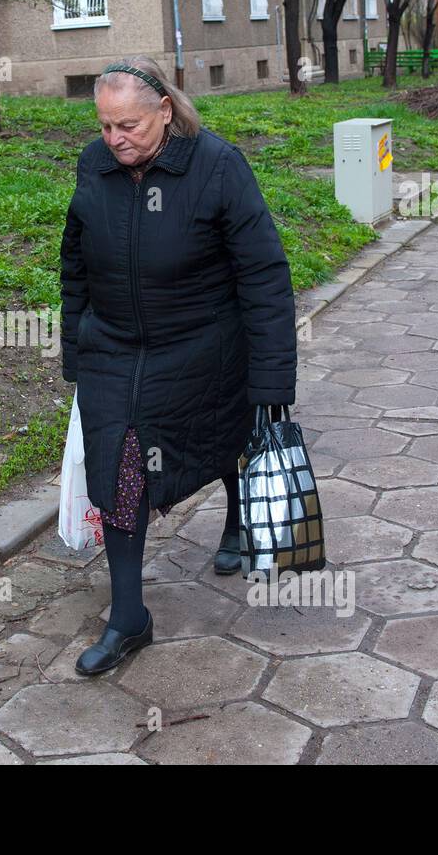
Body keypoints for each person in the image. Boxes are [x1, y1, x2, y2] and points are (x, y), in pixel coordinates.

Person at [60, 56, 298, 675]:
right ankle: (129, 617)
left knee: (225, 440)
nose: (115, 140)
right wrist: (75, 349)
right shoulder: (94, 165)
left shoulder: (218, 166)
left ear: (165, 111)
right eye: (106, 126)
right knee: (119, 470)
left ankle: (238, 520)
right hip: (113, 351)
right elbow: (75, 265)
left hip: (203, 348)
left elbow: (265, 275)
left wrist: (272, 378)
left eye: (129, 126)